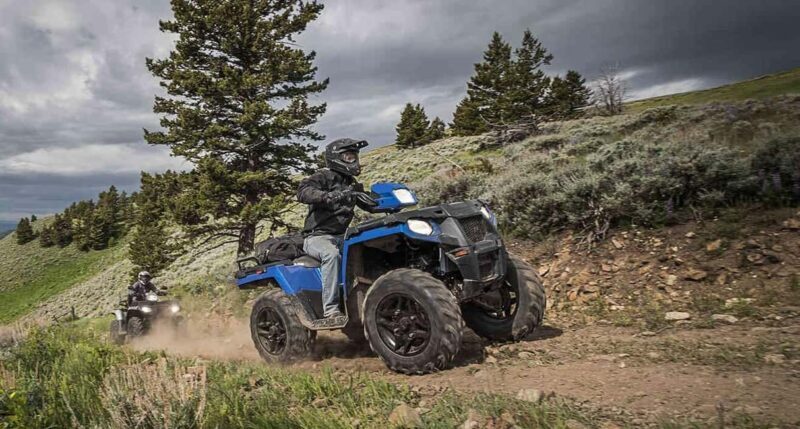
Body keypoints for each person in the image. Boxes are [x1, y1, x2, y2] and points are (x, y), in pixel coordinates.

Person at [297, 138, 377, 320]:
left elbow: (369, 204)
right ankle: (331, 310)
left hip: (343, 236)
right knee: (331, 255)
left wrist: (387, 201)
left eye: (354, 156)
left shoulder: (351, 183)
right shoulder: (322, 176)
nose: (353, 160)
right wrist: (326, 196)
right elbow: (303, 191)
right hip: (317, 237)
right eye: (348, 156)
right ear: (336, 158)